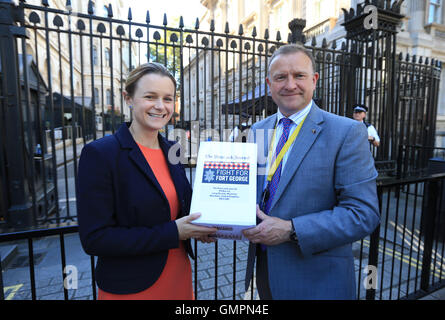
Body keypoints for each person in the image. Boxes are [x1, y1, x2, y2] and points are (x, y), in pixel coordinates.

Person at [242, 44, 380, 300]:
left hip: (318, 281)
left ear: (314, 80)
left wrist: (291, 229)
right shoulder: (258, 130)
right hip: (266, 274)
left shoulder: (347, 132)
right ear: (269, 83)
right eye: (281, 77)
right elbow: (255, 192)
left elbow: (363, 214)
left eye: (299, 75)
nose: (290, 84)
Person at [76, 62, 217, 300]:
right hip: (131, 287)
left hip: (179, 277)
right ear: (128, 98)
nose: (160, 106)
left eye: (168, 98)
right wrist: (174, 232)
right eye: (150, 96)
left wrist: (204, 227)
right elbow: (95, 239)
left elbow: (186, 207)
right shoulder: (101, 154)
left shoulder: (173, 150)